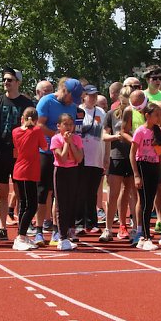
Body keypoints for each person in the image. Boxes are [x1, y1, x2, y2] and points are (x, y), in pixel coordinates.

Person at [0, 68, 33, 241]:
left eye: (10, 80)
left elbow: (30, 130)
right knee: (2, 192)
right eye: (4, 79)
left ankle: (22, 229)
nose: (6, 82)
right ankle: (2, 228)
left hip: (18, 155)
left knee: (21, 193)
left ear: (18, 82)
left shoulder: (27, 103)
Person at [36, 77, 83, 242]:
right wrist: (57, 137)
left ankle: (58, 229)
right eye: (72, 97)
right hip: (46, 152)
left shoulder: (72, 106)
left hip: (65, 157)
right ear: (65, 91)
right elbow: (38, 125)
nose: (72, 101)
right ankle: (39, 230)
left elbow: (72, 128)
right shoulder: (46, 102)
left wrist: (70, 142)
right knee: (42, 193)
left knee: (60, 195)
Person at [101, 85, 136, 242]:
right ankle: (108, 229)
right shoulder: (111, 114)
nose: (127, 100)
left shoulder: (137, 114)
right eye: (125, 96)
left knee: (129, 192)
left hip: (133, 156)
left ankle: (127, 225)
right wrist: (117, 137)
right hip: (117, 156)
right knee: (113, 193)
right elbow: (103, 135)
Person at [11, 107, 47, 250]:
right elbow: (44, 146)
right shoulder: (37, 131)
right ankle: (20, 236)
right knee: (32, 206)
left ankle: (22, 235)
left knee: (24, 204)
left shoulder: (15, 131)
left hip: (18, 169)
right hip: (29, 171)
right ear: (36, 119)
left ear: (22, 118)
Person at [130, 103, 161, 251]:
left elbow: (160, 154)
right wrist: (136, 175)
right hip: (142, 166)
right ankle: (145, 237)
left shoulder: (159, 131)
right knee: (145, 203)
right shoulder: (140, 131)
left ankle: (145, 237)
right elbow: (132, 154)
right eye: (156, 115)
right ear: (147, 116)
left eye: (159, 115)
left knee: (150, 202)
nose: (158, 118)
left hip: (154, 167)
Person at [51, 113, 83, 250]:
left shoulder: (77, 138)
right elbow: (62, 159)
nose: (69, 127)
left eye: (71, 124)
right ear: (59, 126)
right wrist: (66, 143)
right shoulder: (56, 139)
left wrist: (72, 144)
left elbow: (79, 158)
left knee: (72, 203)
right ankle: (61, 237)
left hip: (73, 171)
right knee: (61, 205)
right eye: (66, 124)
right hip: (61, 172)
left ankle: (69, 233)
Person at [78, 84, 107, 233]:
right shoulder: (78, 111)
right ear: (84, 96)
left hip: (97, 157)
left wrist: (105, 157)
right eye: (90, 95)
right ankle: (78, 222)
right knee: (80, 190)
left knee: (92, 191)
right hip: (82, 157)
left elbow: (104, 134)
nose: (93, 98)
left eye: (95, 95)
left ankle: (91, 222)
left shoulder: (101, 112)